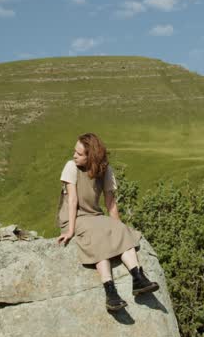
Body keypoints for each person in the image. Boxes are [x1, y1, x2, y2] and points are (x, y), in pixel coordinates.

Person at [56, 132, 158, 312]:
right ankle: (110, 292)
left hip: (94, 216)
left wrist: (118, 228)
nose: (74, 155)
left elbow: (110, 202)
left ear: (91, 157)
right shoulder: (71, 167)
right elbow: (72, 201)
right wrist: (70, 231)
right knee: (97, 236)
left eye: (79, 154)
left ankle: (138, 277)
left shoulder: (105, 170)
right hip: (74, 217)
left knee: (120, 229)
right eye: (75, 152)